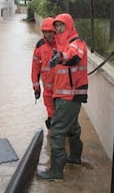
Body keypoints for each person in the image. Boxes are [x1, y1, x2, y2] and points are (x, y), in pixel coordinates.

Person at [37, 13, 88, 180]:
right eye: (56, 26)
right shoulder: (62, 45)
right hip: (65, 96)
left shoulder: (75, 42)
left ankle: (56, 171)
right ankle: (74, 157)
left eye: (61, 26)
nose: (58, 29)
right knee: (73, 129)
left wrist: (60, 57)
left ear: (69, 26)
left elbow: (72, 55)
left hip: (69, 96)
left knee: (57, 132)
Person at [31, 17, 57, 130]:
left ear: (55, 31)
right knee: (50, 112)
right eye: (45, 32)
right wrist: (36, 88)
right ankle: (51, 133)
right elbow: (35, 68)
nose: (48, 35)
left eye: (50, 32)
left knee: (62, 113)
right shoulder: (40, 45)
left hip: (61, 86)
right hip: (47, 89)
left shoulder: (62, 44)